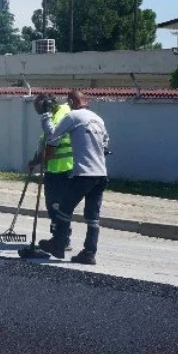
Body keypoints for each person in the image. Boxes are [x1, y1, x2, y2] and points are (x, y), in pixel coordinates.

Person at [39, 89, 109, 265]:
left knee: (64, 209)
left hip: (84, 174)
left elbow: (54, 134)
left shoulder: (74, 116)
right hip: (101, 174)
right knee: (93, 216)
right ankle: (89, 252)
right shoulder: (98, 119)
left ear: (71, 101)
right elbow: (106, 144)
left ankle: (58, 244)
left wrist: (46, 115)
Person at [28, 94, 74, 252]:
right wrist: (36, 159)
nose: (39, 113)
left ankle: (60, 239)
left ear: (46, 106)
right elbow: (44, 140)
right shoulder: (65, 112)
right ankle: (62, 237)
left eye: (39, 109)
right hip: (67, 168)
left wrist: (36, 162)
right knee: (62, 206)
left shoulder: (56, 118)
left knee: (55, 206)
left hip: (60, 169)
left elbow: (52, 139)